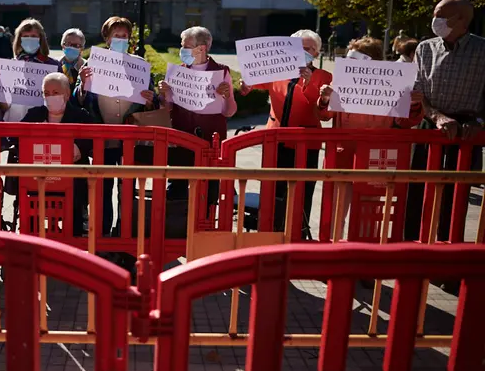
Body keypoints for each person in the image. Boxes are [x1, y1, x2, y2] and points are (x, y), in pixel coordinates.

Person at [405, 0, 485, 269]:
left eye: (441, 16)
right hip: (430, 127)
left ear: (461, 20)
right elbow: (417, 91)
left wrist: (479, 121)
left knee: (455, 200)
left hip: (466, 133)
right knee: (416, 193)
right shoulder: (425, 48)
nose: (435, 20)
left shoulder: (482, 50)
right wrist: (437, 116)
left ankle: (448, 262)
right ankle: (410, 255)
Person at [317, 36, 424, 230]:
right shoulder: (339, 82)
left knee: (367, 217)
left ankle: (364, 249)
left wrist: (414, 104)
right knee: (335, 215)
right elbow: (325, 115)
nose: (348, 64)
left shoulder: (393, 84)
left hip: (374, 158)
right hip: (343, 156)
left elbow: (404, 122)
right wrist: (325, 99)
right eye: (348, 59)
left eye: (353, 60)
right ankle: (332, 247)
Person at [239, 29, 333, 236]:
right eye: (298, 48)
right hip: (275, 141)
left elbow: (325, 114)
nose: (303, 52)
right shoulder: (278, 70)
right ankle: (270, 234)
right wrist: (246, 85)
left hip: (305, 144)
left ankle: (299, 234)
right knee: (272, 189)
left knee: (302, 192)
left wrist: (310, 84)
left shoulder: (324, 77)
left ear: (317, 53)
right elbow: (252, 82)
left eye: (308, 49)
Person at [74, 16, 156, 236]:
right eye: (116, 36)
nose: (121, 39)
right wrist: (82, 85)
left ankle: (124, 232)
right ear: (107, 39)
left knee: (127, 188)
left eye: (124, 36)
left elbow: (152, 99)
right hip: (103, 138)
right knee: (102, 187)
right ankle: (101, 233)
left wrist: (150, 100)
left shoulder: (139, 65)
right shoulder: (93, 63)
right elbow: (78, 100)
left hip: (130, 138)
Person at [158, 26, 236, 200]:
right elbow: (167, 108)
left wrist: (227, 95)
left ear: (202, 48)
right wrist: (164, 94)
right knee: (176, 191)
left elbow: (229, 112)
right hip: (181, 140)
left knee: (209, 193)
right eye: (182, 46)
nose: (182, 50)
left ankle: (206, 217)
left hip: (210, 142)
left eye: (186, 47)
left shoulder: (222, 71)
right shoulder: (177, 71)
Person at [20, 72, 94, 235]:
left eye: (55, 93)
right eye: (46, 93)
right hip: (39, 179)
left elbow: (91, 140)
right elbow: (16, 138)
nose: (50, 96)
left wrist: (78, 147)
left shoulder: (81, 116)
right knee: (29, 192)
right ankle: (31, 240)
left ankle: (73, 241)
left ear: (67, 94)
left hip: (71, 181)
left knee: (76, 198)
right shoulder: (34, 114)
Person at [0, 18, 61, 122]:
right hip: (15, 123)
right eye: (25, 36)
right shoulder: (10, 67)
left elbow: (61, 101)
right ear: (19, 40)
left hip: (43, 124)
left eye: (33, 36)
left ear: (41, 39)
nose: (29, 39)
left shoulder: (53, 66)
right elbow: (4, 106)